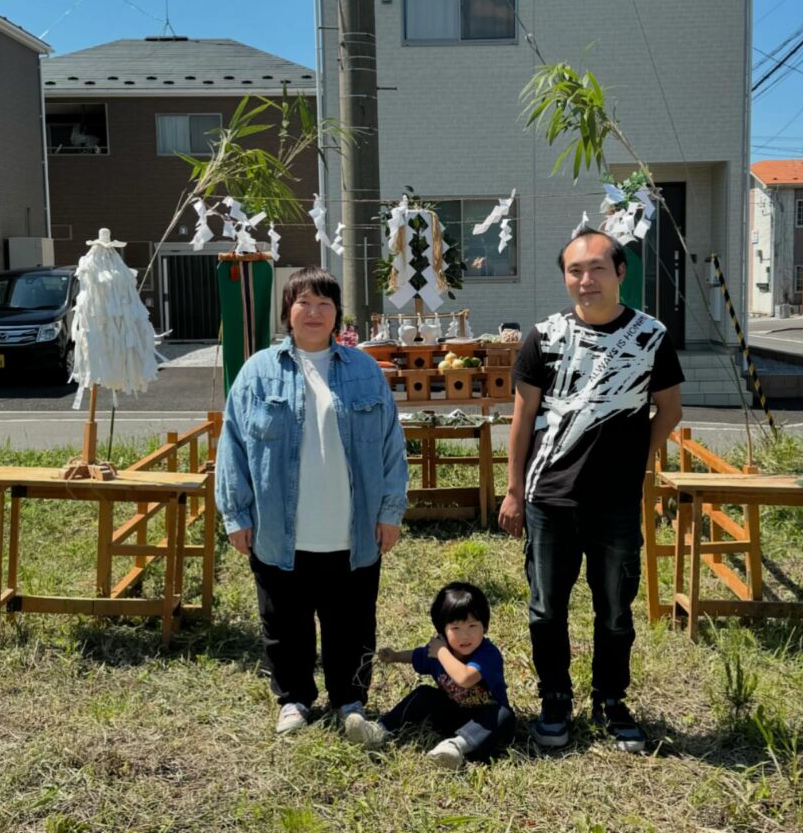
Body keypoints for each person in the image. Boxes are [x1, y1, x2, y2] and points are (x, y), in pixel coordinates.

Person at [498, 230, 684, 753]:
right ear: (565, 277)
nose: (586, 280)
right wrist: (513, 491)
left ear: (620, 273)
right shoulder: (544, 336)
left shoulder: (651, 337)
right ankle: (555, 697)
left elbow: (669, 411)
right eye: (575, 270)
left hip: (616, 504)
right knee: (546, 609)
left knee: (616, 610)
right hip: (548, 498)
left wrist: (638, 466)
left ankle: (610, 699)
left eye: (597, 268)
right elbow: (523, 417)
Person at [216, 266, 408, 735]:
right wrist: (236, 514)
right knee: (285, 621)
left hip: (352, 526)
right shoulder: (258, 373)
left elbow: (390, 445)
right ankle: (294, 699)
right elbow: (233, 445)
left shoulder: (363, 370)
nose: (315, 312)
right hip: (280, 527)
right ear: (288, 310)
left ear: (338, 312)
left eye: (325, 303)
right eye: (304, 302)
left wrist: (390, 512)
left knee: (353, 621)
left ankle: (351, 699)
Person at [343, 582, 515, 769]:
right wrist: (395, 656)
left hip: (484, 722)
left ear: (485, 627)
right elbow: (417, 655)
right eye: (455, 628)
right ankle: (378, 730)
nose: (465, 635)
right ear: (442, 631)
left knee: (503, 715)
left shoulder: (487, 654)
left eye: (473, 625)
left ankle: (454, 747)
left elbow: (465, 679)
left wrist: (441, 652)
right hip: (451, 713)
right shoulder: (439, 650)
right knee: (424, 693)